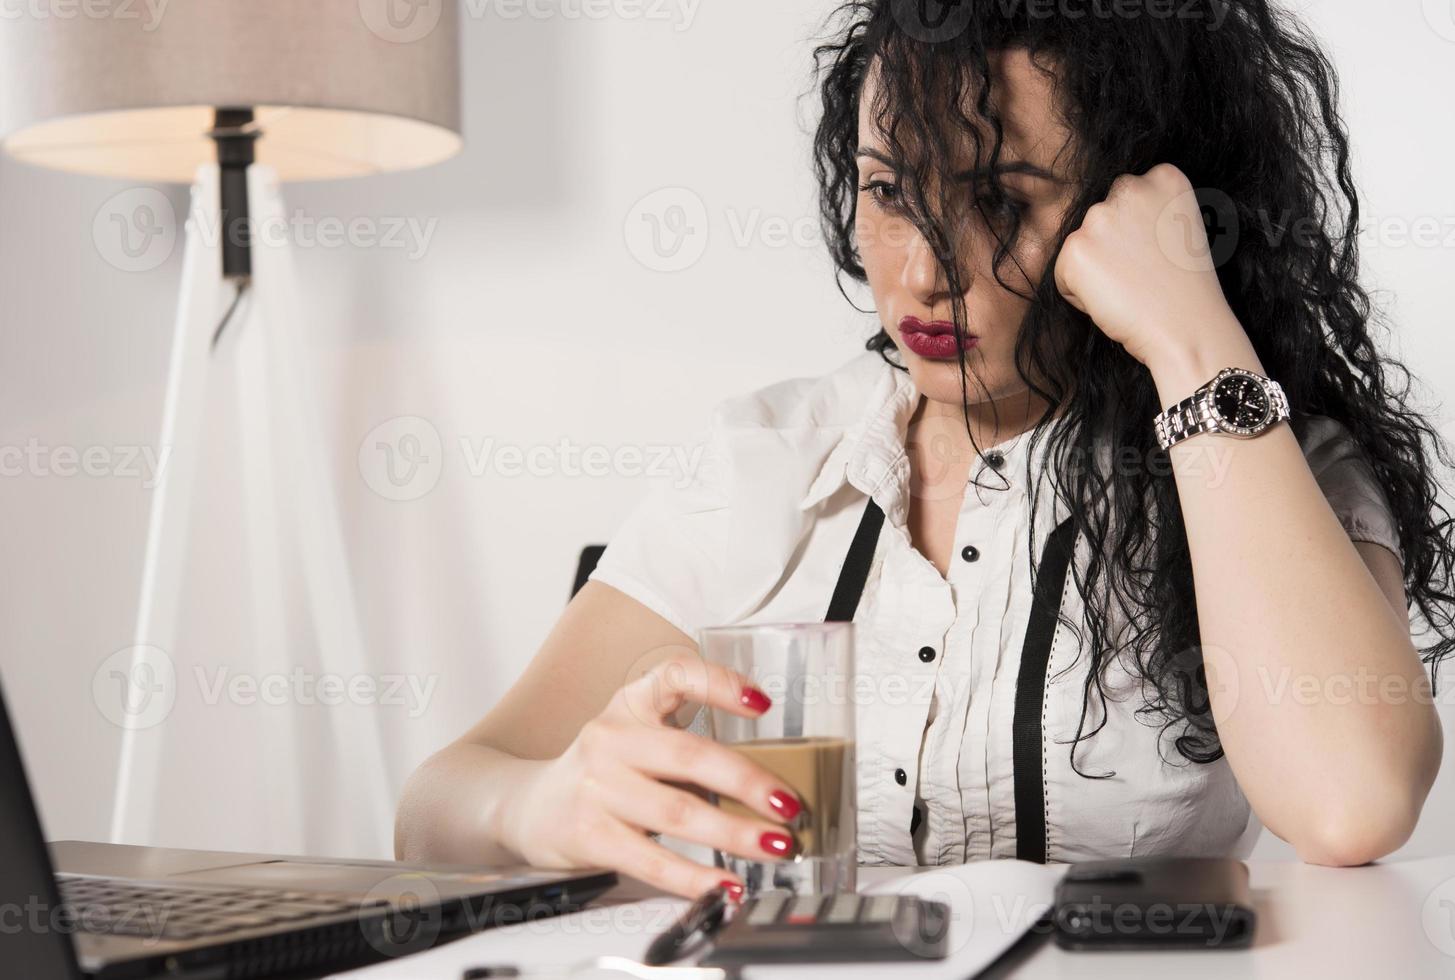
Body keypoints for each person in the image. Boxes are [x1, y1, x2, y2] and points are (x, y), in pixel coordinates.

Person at [395, 0, 1452, 900]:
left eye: (1000, 200)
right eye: (892, 192)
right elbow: (438, 811)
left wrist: (1190, 329)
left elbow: (1351, 800)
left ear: (1125, 209)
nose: (925, 271)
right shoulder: (768, 459)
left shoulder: (1265, 460)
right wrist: (541, 801)